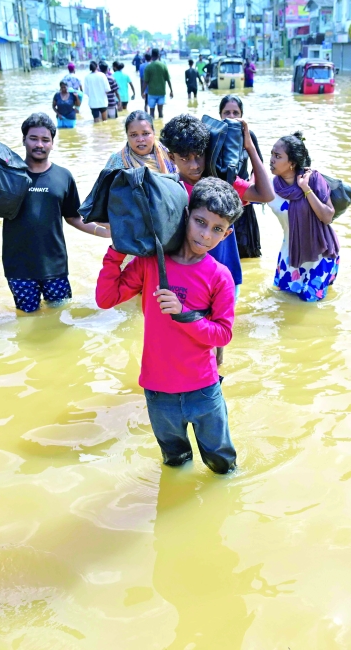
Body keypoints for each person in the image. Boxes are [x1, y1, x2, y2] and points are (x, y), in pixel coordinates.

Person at [95, 178, 242, 474]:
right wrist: (117, 249)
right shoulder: (151, 263)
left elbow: (223, 334)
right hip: (158, 391)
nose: (205, 235)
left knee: (223, 466)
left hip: (203, 390)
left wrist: (184, 312)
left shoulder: (219, 276)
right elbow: (106, 299)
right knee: (175, 463)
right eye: (200, 222)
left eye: (216, 229)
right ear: (186, 215)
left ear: (226, 234)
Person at [0, 113, 111, 313]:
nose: (39, 144)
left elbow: (73, 217)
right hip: (19, 269)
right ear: (24, 140)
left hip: (55, 267)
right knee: (27, 319)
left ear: (53, 143)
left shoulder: (63, 176)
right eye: (33, 138)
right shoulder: (7, 175)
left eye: (45, 140)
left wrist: (103, 231)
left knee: (61, 318)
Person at [160, 114, 274, 364]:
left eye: (198, 155)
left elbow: (265, 194)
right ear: (171, 158)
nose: (194, 165)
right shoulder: (170, 191)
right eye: (184, 158)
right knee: (190, 342)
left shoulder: (221, 185)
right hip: (189, 279)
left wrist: (250, 147)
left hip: (225, 274)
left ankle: (218, 376)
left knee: (219, 342)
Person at [267, 132, 340, 302]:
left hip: (319, 255)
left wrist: (305, 189)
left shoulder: (313, 179)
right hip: (290, 255)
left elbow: (327, 216)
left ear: (291, 163)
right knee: (283, 304)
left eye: (277, 156)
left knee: (310, 308)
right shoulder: (271, 187)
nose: (272, 159)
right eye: (271, 154)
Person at [219, 95, 262, 258]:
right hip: (221, 202)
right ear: (220, 115)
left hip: (244, 200)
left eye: (235, 113)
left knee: (245, 253)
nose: (231, 117)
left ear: (242, 115)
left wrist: (251, 187)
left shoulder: (248, 135)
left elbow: (258, 166)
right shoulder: (215, 136)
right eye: (227, 113)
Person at [105, 110, 177, 173]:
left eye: (145, 134)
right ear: (127, 136)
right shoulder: (117, 162)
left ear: (154, 133)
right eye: (134, 135)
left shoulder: (168, 154)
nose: (140, 139)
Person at [144, 48, 173, 119]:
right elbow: (168, 80)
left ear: (151, 55)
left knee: (151, 113)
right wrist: (171, 90)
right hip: (161, 93)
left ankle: (152, 129)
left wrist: (142, 92)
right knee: (160, 112)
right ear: (159, 55)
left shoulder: (148, 67)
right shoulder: (163, 66)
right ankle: (161, 127)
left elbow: (145, 81)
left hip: (152, 93)